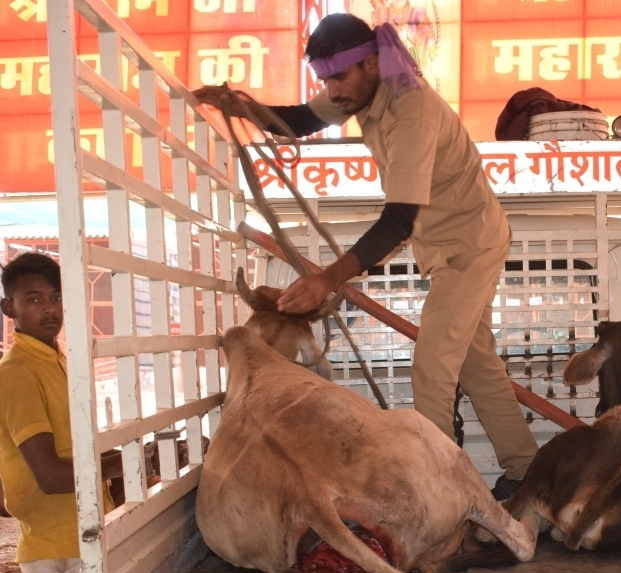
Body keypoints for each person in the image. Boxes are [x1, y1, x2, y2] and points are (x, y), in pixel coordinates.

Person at [194, 14, 538, 501]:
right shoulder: (363, 93)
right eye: (324, 80)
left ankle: (442, 494)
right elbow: (298, 121)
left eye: (339, 77)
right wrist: (240, 105)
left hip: (469, 247)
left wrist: (327, 280)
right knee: (476, 366)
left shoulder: (412, 114)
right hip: (453, 246)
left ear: (372, 63)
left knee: (432, 369)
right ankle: (528, 472)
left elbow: (397, 222)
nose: (332, 91)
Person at [0, 252, 120, 573]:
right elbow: (50, 475)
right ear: (9, 308)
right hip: (56, 549)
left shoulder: (58, 361)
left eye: (55, 298)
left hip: (83, 538)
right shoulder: (17, 372)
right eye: (33, 300)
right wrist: (124, 463)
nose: (49, 309)